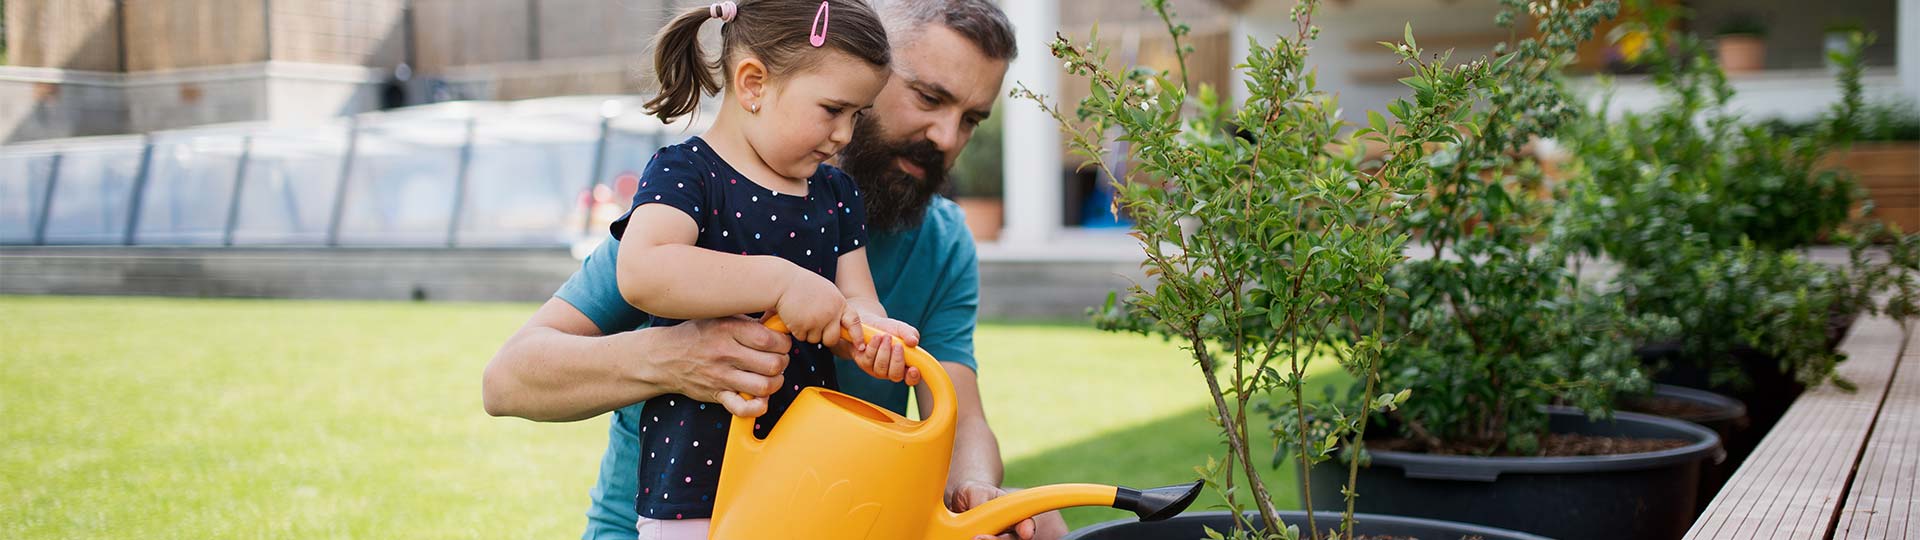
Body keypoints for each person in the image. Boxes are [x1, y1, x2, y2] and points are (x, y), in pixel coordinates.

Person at [481, 1, 1067, 538]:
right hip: (668, 520)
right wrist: (674, 358)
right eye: (929, 98)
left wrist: (977, 493)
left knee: (1049, 526)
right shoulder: (703, 196)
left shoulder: (939, 240)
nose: (945, 137)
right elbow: (508, 380)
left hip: (814, 519)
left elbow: (961, 417)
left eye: (971, 120)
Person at [608, 1, 915, 536]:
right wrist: (782, 281)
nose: (845, 134)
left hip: (803, 475)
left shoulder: (836, 193)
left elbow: (856, 299)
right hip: (695, 487)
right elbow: (644, 271)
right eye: (832, 109)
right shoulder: (687, 172)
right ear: (753, 83)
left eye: (857, 116)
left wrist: (871, 334)